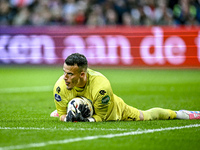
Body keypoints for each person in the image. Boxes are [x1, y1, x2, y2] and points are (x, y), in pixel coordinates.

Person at [51, 53, 200, 122]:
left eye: (70, 74)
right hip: (87, 104)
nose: (65, 77)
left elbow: (100, 117)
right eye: (64, 72)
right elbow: (62, 115)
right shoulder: (60, 87)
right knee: (60, 112)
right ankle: (75, 108)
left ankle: (178, 113)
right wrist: (67, 117)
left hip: (113, 111)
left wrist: (85, 121)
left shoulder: (101, 87)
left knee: (145, 116)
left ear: (82, 74)